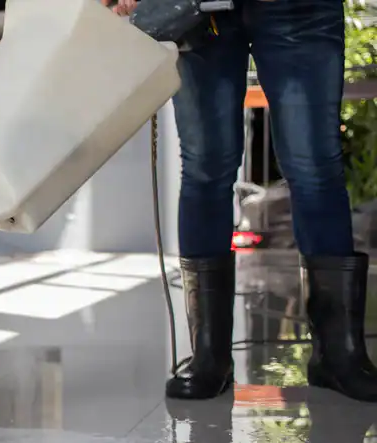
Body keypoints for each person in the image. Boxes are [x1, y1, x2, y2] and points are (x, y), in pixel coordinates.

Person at [110, 0, 377, 402]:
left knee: (315, 168)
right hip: (198, 9)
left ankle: (339, 356)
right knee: (206, 168)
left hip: (301, 7)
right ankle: (209, 356)